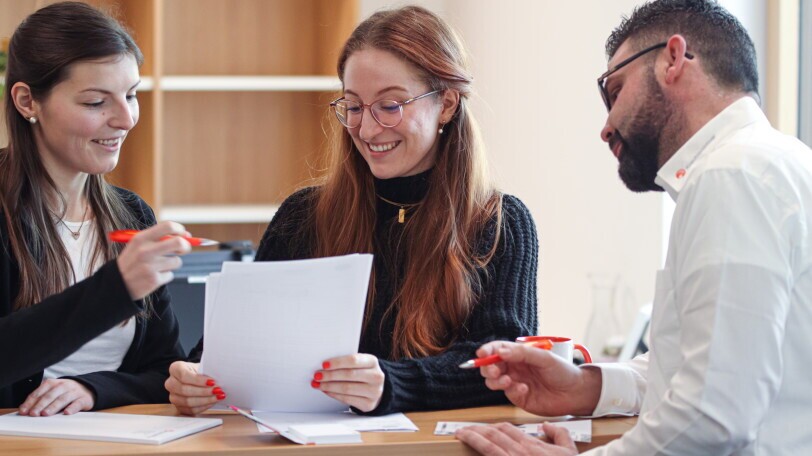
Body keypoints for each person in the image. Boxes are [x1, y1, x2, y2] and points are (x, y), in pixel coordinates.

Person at [456, 0, 812, 454]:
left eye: (614, 90)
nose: (605, 128)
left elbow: (712, 417)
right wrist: (585, 386)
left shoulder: (731, 176)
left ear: (673, 59)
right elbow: (700, 369)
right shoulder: (769, 165)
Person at [165, 6, 538, 416]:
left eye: (390, 105)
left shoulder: (500, 222)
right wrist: (195, 375)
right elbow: (229, 349)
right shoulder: (302, 217)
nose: (368, 129)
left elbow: (504, 363)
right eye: (354, 106)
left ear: (446, 104)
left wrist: (392, 384)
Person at [0, 2, 191, 415]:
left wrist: (93, 389)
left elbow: (164, 369)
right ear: (27, 101)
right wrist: (116, 288)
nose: (125, 119)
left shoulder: (132, 214)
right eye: (94, 103)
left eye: (131, 95)